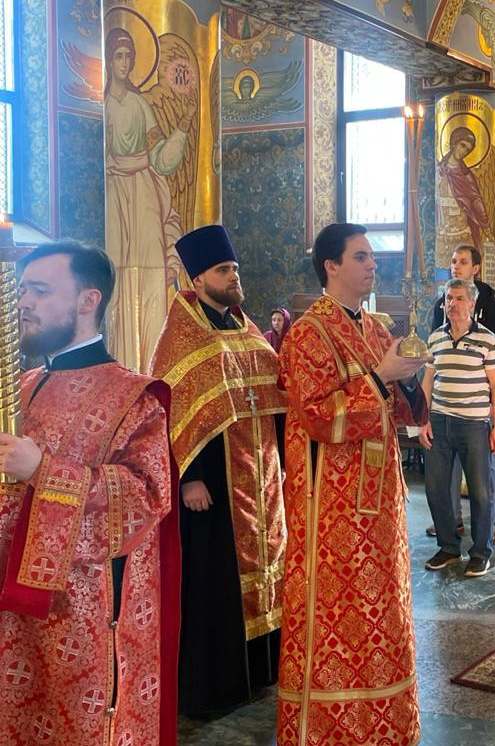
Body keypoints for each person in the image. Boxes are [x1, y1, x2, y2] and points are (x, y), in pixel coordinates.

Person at [0, 242, 179, 744]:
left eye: (39, 291)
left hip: (82, 616)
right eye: (22, 291)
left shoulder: (133, 395)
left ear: (88, 300)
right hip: (10, 603)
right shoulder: (21, 385)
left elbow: (146, 497)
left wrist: (43, 471)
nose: (24, 303)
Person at [276, 223, 428, 745]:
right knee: (339, 614)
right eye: (361, 256)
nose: (372, 264)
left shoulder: (376, 328)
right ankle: (332, 728)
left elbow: (401, 412)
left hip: (380, 499)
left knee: (383, 608)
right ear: (331, 266)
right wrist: (381, 378)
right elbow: (320, 418)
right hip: (331, 507)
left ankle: (385, 723)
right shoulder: (308, 334)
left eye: (372, 256)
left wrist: (410, 380)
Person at [149, 225, 287, 717]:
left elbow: (275, 395)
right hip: (211, 487)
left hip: (261, 479)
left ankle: (262, 671)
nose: (234, 277)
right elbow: (167, 411)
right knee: (216, 584)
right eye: (223, 270)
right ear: (198, 279)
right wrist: (187, 477)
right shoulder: (180, 338)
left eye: (235, 269)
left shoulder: (245, 329)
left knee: (269, 571)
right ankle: (218, 688)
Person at [103, 27, 193, 373]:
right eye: (118, 56)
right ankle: (118, 368)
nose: (124, 62)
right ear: (108, 60)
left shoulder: (140, 103)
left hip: (143, 193)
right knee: (117, 280)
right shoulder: (103, 105)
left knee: (152, 278)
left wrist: (182, 129)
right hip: (115, 196)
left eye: (129, 56)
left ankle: (153, 371)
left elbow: (161, 159)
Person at [421, 279, 495, 577]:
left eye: (459, 298)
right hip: (439, 422)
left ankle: (481, 553)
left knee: (481, 492)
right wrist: (423, 420)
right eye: (448, 298)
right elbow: (428, 382)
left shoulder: (488, 341)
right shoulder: (435, 339)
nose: (452, 304)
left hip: (474, 425)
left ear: (472, 303)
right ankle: (448, 547)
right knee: (436, 488)